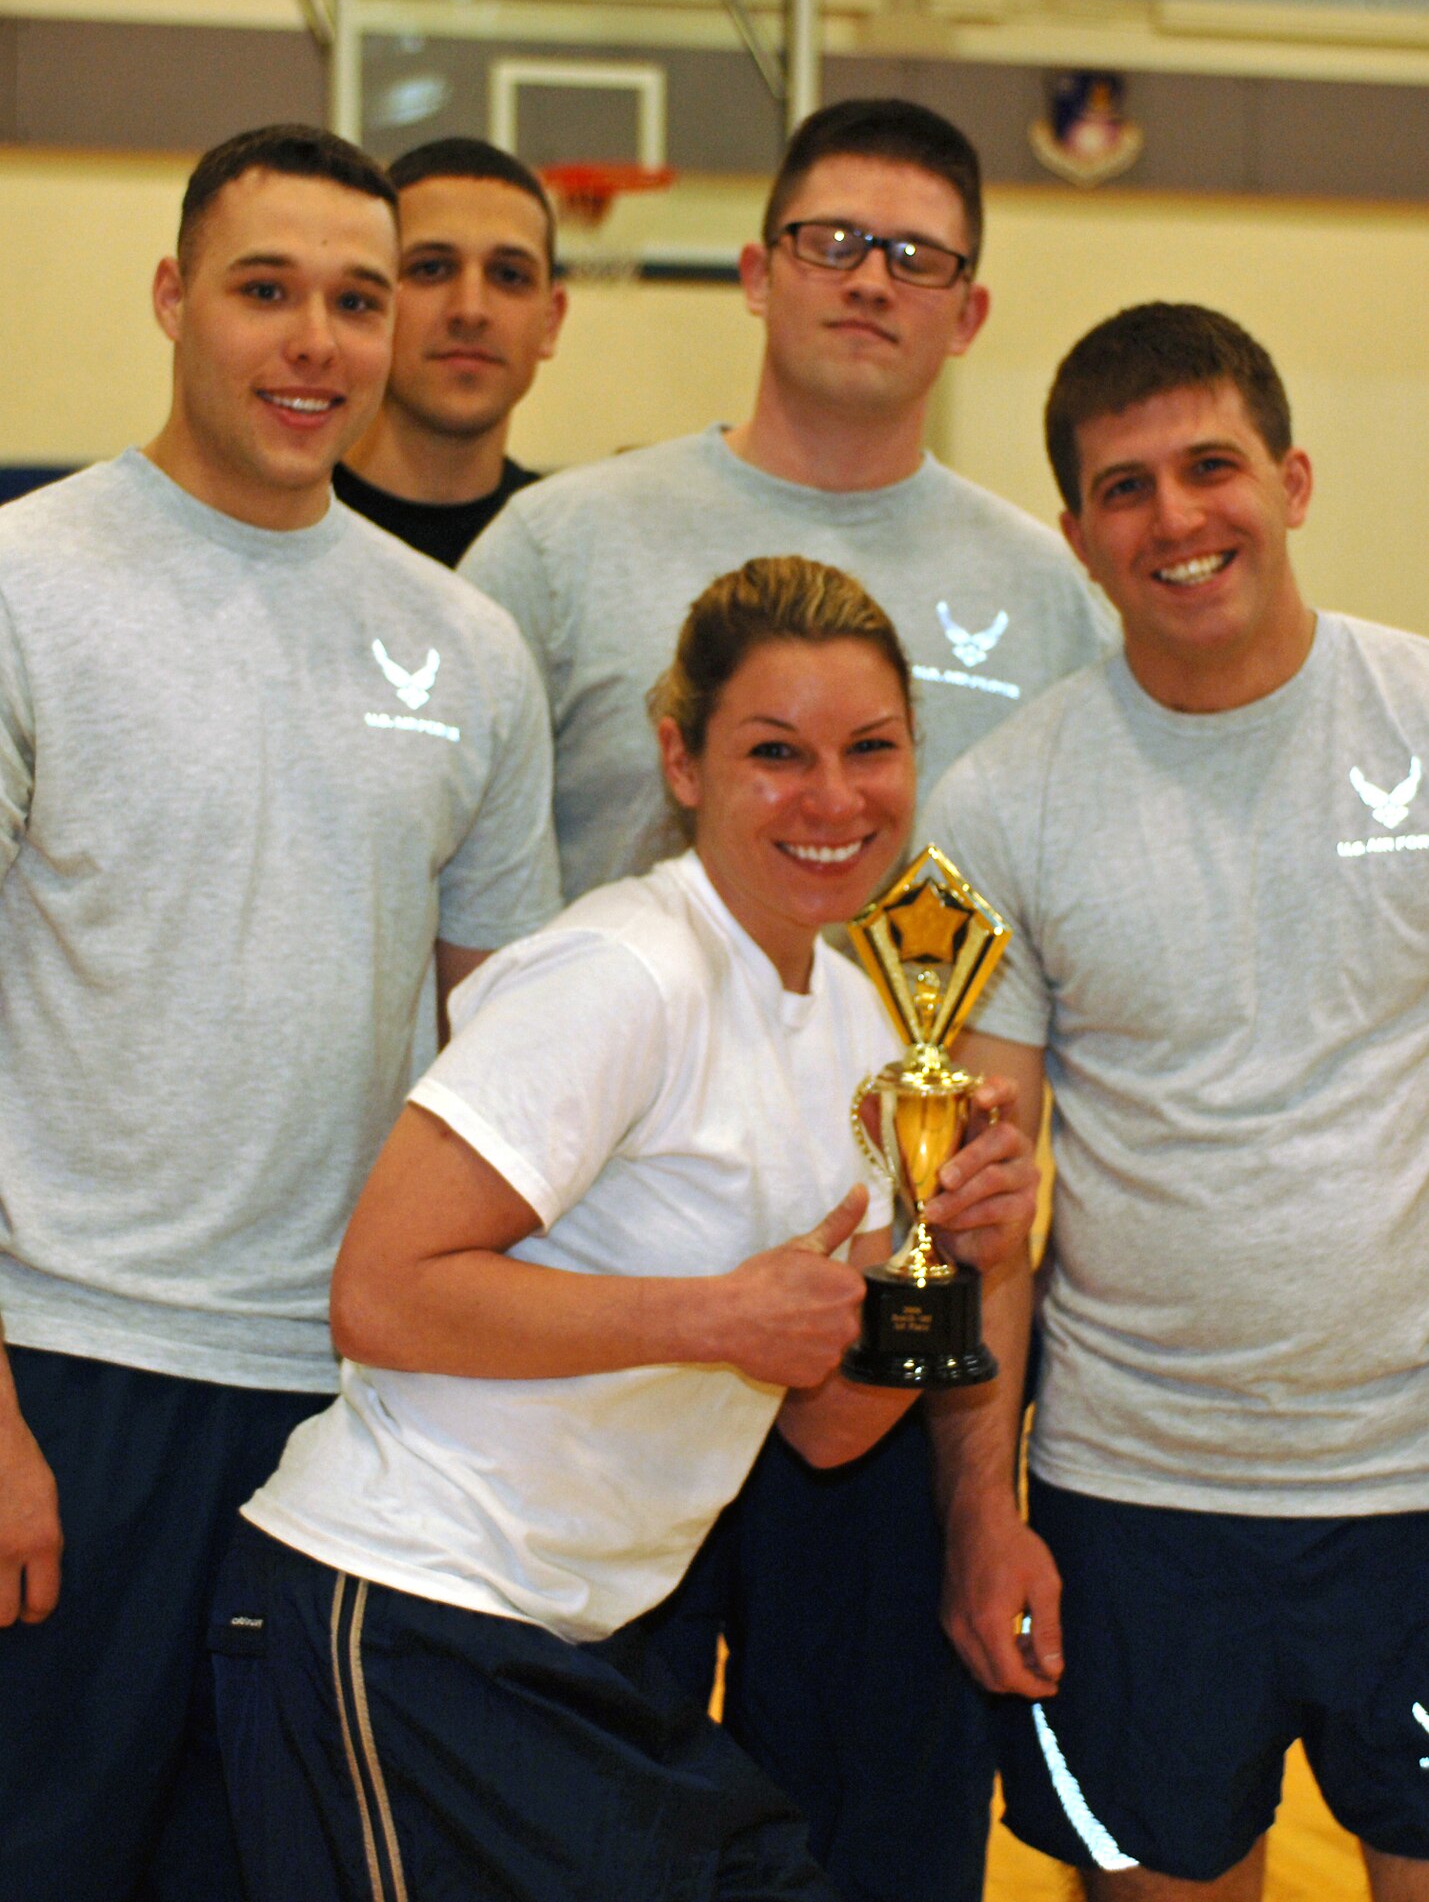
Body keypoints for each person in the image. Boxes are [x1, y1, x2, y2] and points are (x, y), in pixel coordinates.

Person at [461, 94, 1114, 1902]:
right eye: (831, 240)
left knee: (876, 1839)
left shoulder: (1047, 596)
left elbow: (1046, 979)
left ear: (967, 313)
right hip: (613, 1314)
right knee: (578, 1829)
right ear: (753, 270)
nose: (868, 280)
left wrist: (984, 1465)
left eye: (916, 256)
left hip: (882, 1312)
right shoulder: (559, 550)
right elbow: (467, 935)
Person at [210, 554, 1041, 1902]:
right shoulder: (620, 971)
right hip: (407, 1619)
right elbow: (380, 1293)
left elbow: (826, 1425)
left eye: (870, 750)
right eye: (776, 753)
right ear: (682, 759)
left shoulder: (854, 1019)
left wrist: (945, 1264)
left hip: (583, 1647)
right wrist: (714, 1315)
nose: (833, 798)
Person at [0, 123, 559, 1902]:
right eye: (265, 291)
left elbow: (513, 1053)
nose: (315, 341)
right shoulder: (29, 586)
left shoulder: (464, 648)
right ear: (172, 299)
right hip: (70, 1378)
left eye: (354, 299)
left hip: (351, 1401)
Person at [924, 303, 1429, 1902]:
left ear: (1289, 478)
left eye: (1209, 465)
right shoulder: (995, 803)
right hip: (1132, 1502)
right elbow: (964, 1206)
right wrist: (975, 1515)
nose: (1176, 518)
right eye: (1123, 487)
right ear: (1076, 536)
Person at [333, 137, 565, 565]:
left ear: (551, 321)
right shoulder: (284, 521)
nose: (471, 311)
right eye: (431, 268)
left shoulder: (569, 543)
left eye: (509, 275)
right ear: (367, 302)